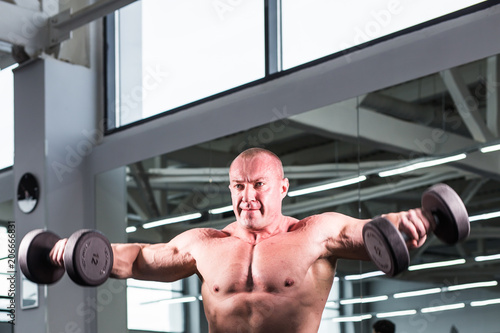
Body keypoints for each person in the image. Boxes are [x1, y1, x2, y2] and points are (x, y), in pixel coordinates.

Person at [51, 148, 430, 333]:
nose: (247, 196)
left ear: (282, 187)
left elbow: (371, 231)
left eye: (259, 185)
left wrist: (409, 221)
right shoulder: (205, 244)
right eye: (238, 185)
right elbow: (137, 259)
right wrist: (70, 251)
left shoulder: (316, 233)